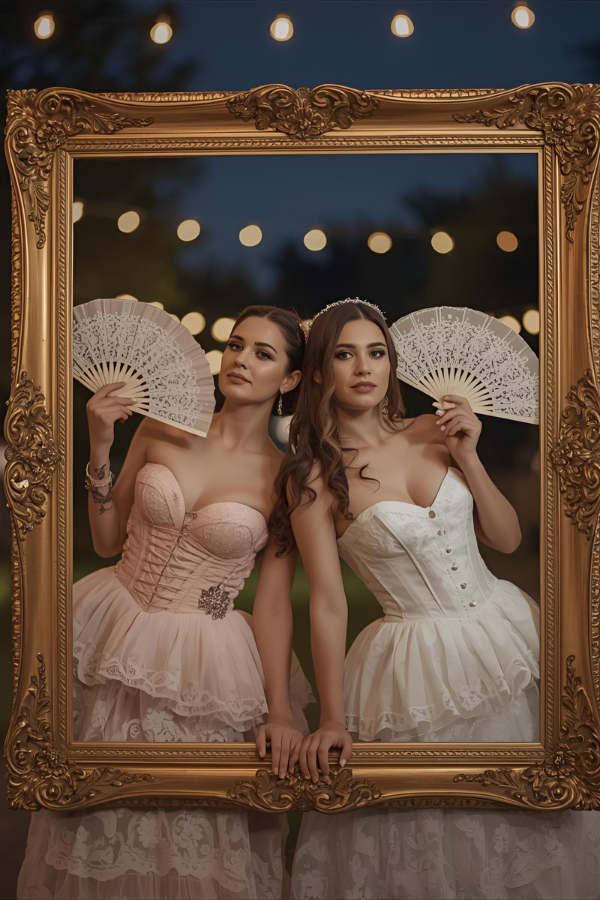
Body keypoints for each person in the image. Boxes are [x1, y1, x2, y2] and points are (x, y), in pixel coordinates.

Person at [270, 298, 600, 900]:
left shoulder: (435, 432)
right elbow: (326, 601)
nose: (364, 367)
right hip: (413, 662)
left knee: (534, 812)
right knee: (438, 833)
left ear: (392, 365)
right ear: (319, 371)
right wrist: (334, 719)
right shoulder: (313, 477)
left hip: (504, 633)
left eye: (377, 353)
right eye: (345, 355)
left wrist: (470, 456)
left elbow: (506, 537)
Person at [17, 305, 312, 900]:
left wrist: (279, 711)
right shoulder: (161, 427)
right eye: (235, 344)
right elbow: (106, 540)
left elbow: (275, 605)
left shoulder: (285, 477)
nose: (240, 359)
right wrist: (101, 444)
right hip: (114, 631)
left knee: (190, 830)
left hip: (206, 663)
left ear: (289, 380)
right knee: (98, 818)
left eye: (263, 353)